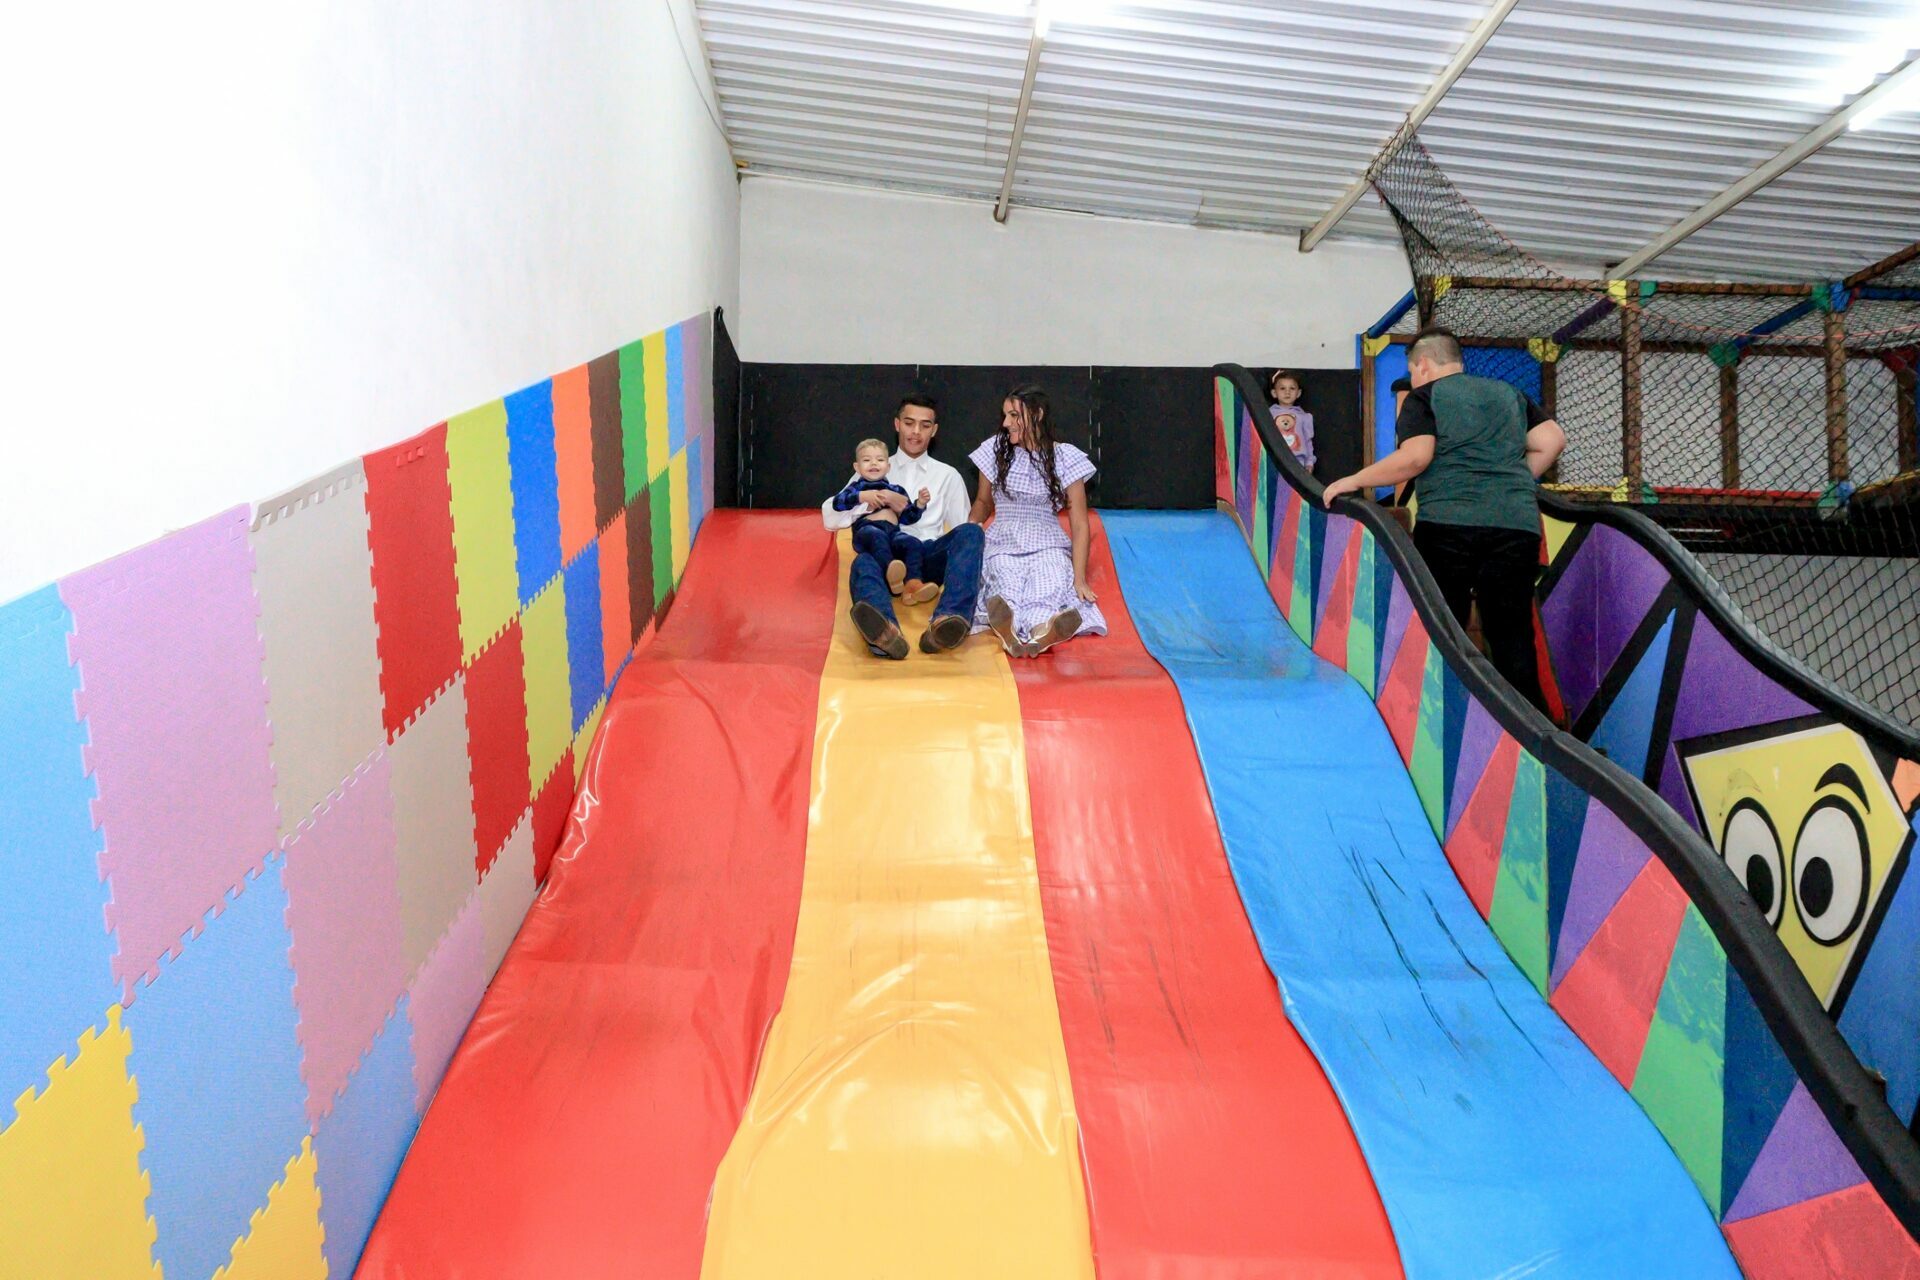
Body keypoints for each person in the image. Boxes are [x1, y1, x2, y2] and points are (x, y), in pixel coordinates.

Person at [1323, 327, 1566, 711]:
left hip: (1450, 525)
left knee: (1441, 631)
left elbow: (1416, 457)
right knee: (1512, 636)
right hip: (1516, 525)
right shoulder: (1509, 393)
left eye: (1412, 371)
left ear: (1422, 364)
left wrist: (1353, 480)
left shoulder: (1423, 397)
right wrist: (1511, 482)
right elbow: (1552, 440)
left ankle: (1438, 718)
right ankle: (1531, 733)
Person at [821, 394, 985, 660]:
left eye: (924, 425)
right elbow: (829, 517)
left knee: (972, 531)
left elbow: (962, 540)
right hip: (884, 556)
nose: (916, 431)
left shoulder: (948, 475)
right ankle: (885, 634)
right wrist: (869, 499)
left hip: (926, 557)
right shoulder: (872, 466)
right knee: (862, 562)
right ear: (897, 424)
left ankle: (948, 622)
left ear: (934, 430)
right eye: (909, 423)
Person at [967, 385, 1105, 657]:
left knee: (1048, 581)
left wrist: (1080, 579)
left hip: (1048, 543)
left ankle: (1042, 632)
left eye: (1014, 416)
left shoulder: (1066, 456)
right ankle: (1007, 629)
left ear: (1037, 414)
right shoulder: (994, 450)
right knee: (1004, 581)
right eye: (1005, 416)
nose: (1006, 423)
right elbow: (983, 503)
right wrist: (970, 532)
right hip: (1003, 541)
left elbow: (1079, 524)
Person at [829, 439, 938, 607]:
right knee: (876, 536)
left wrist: (920, 504)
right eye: (867, 460)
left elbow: (908, 517)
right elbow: (838, 503)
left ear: (888, 466)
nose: (874, 463)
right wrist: (861, 496)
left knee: (912, 543)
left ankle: (913, 583)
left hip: (893, 532)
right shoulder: (856, 487)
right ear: (857, 467)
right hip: (867, 530)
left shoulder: (897, 490)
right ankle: (890, 573)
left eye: (879, 460)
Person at [1269, 370, 1315, 470]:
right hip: (1274, 460)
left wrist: (1309, 462)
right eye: (1282, 388)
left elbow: (1308, 441)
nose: (1287, 392)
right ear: (1274, 393)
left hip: (1297, 462)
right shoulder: (1268, 414)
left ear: (1298, 393)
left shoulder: (1304, 417)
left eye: (1292, 388)